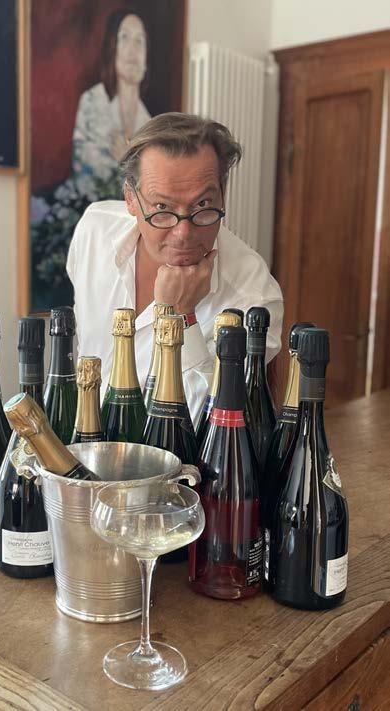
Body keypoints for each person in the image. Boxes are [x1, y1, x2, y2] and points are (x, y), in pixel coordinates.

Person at [66, 112, 283, 421]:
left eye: (203, 205)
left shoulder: (254, 296)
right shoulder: (94, 232)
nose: (183, 234)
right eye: (162, 208)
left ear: (223, 194)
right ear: (130, 200)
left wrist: (182, 314)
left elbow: (214, 426)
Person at [71, 9, 151, 202]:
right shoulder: (92, 102)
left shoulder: (151, 124)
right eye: (124, 37)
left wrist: (125, 159)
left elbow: (153, 191)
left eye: (139, 41)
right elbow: (83, 175)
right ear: (112, 48)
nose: (132, 49)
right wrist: (134, 168)